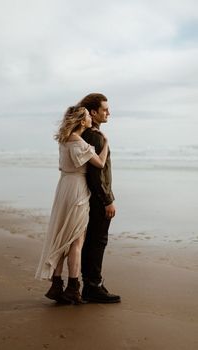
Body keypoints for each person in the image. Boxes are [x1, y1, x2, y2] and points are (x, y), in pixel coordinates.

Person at [35, 105, 109, 304]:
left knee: (61, 237)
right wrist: (106, 144)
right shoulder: (77, 141)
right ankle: (73, 288)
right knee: (76, 240)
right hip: (76, 189)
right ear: (81, 120)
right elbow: (100, 163)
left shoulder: (64, 140)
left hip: (64, 187)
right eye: (86, 116)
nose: (89, 119)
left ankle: (57, 285)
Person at [78, 93, 121, 303]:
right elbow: (97, 174)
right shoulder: (95, 136)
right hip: (98, 197)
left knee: (91, 241)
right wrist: (108, 200)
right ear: (93, 112)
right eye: (105, 109)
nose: (108, 112)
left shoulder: (86, 134)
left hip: (90, 195)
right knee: (97, 241)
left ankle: (89, 284)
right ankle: (93, 287)